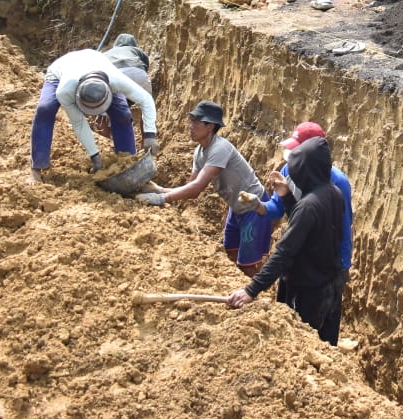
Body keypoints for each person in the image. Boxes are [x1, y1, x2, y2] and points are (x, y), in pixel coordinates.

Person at [227, 135, 346, 345]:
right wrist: (286, 197)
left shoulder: (308, 206)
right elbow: (308, 227)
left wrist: (250, 290)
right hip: (327, 284)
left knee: (304, 346)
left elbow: (284, 252)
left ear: (306, 170)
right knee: (325, 346)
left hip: (307, 291)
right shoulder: (333, 193)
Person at [138, 101, 272, 275]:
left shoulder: (220, 148)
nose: (191, 126)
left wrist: (162, 198)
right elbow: (191, 188)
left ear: (210, 126)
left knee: (247, 265)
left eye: (196, 122)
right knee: (231, 253)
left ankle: (257, 297)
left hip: (254, 206)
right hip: (237, 207)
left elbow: (197, 188)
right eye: (191, 121)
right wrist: (160, 190)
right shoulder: (200, 152)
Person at [31, 47, 159, 178]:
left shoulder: (116, 80)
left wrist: (150, 135)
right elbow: (79, 123)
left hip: (98, 67)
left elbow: (146, 100)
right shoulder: (64, 91)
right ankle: (37, 167)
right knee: (45, 109)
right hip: (60, 73)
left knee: (123, 114)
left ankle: (127, 162)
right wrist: (95, 156)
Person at [253, 121, 354, 280]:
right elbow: (277, 208)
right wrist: (258, 206)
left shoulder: (338, 182)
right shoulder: (288, 170)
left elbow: (343, 225)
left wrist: (342, 264)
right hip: (299, 251)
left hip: (325, 260)